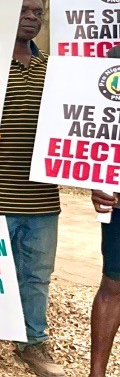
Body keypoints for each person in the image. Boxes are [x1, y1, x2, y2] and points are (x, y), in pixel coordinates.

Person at [0, 0, 63, 377]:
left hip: (42, 197)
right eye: (23, 10)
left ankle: (32, 343)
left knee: (36, 275)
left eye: (38, 12)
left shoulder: (55, 69)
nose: (31, 17)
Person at [90, 44, 120, 377]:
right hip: (119, 202)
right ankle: (96, 372)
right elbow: (90, 126)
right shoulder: (110, 60)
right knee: (114, 285)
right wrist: (93, 178)